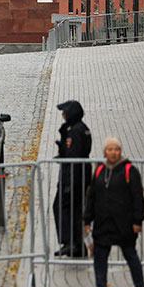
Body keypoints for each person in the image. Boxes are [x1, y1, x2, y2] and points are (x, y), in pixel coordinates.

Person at [83, 137, 144, 287]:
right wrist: (87, 220)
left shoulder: (129, 171)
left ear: (120, 151)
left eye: (116, 149)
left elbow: (138, 197)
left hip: (124, 223)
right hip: (103, 223)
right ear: (105, 151)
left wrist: (137, 221)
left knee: (130, 254)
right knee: (100, 256)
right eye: (110, 149)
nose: (113, 152)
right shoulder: (99, 170)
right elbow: (91, 197)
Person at [52, 100, 92, 257]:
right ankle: (75, 244)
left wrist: (70, 183)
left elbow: (74, 157)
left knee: (62, 207)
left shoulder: (75, 131)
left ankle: (71, 243)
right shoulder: (79, 128)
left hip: (74, 177)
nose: (63, 115)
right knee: (73, 210)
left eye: (65, 112)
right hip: (78, 175)